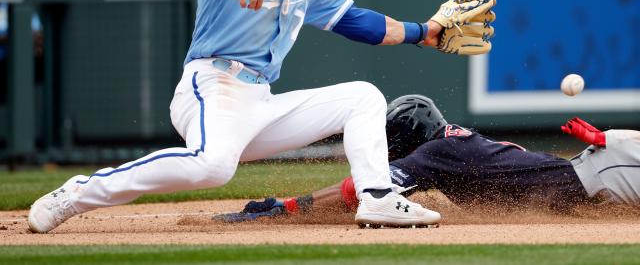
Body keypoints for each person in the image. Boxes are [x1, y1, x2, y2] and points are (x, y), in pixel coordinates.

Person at [27, 0, 496, 233]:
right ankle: (78, 193)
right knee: (213, 167)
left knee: (363, 97)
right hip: (213, 85)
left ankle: (376, 197)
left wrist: (423, 32)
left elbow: (361, 24)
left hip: (259, 102)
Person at [218, 95, 640, 222]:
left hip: (590, 176)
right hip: (581, 181)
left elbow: (360, 191)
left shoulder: (440, 151)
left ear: (407, 132)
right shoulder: (448, 147)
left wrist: (288, 207)